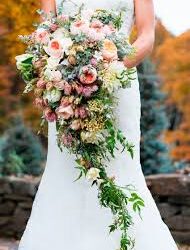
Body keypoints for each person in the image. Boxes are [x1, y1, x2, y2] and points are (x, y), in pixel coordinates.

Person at [18, 0, 179, 249]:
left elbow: (147, 35)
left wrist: (110, 69)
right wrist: (59, 67)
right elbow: (46, 31)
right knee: (66, 169)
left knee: (120, 167)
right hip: (67, 88)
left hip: (118, 87)